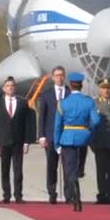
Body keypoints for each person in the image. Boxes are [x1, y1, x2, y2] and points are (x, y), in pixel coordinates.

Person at [53, 72, 100, 212]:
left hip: (68, 138)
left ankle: (76, 198)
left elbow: (57, 126)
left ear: (70, 86)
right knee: (78, 168)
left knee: (70, 170)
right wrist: (88, 130)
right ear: (81, 85)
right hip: (84, 137)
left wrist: (56, 143)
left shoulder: (63, 103)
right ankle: (80, 173)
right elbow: (96, 120)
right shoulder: (88, 101)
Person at [0, 76, 32, 203]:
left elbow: (27, 124)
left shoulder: (22, 102)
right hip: (3, 141)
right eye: (8, 86)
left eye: (12, 86)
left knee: (18, 170)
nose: (10, 88)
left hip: (18, 141)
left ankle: (18, 195)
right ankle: (6, 195)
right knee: (5, 170)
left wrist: (27, 141)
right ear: (4, 89)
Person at [38, 66, 73, 204]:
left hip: (67, 136)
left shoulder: (70, 93)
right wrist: (41, 136)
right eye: (57, 75)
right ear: (53, 77)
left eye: (62, 75)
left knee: (67, 167)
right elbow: (42, 116)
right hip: (51, 136)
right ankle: (52, 192)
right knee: (51, 166)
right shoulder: (46, 94)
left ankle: (69, 194)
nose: (60, 77)